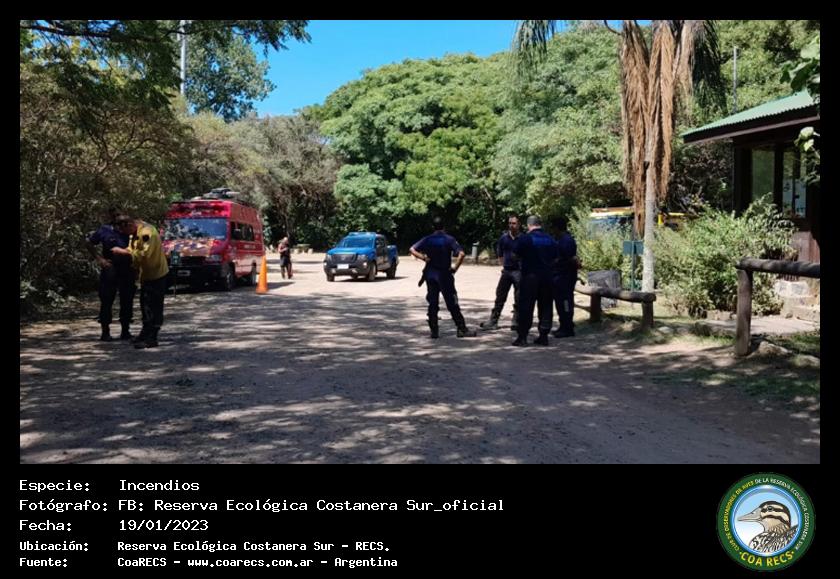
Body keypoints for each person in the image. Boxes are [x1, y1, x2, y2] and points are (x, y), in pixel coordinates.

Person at [409, 218, 477, 339]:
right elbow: (461, 254)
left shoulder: (427, 239)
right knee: (452, 302)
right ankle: (461, 328)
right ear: (443, 227)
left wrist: (424, 258)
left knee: (433, 302)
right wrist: (455, 268)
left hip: (430, 274)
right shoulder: (449, 239)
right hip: (444, 275)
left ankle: (434, 330)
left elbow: (412, 249)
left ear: (433, 227)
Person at [111, 216, 169, 349]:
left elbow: (145, 254)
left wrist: (124, 252)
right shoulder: (134, 234)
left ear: (129, 224)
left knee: (154, 307)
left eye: (124, 230)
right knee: (145, 306)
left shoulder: (148, 233)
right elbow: (132, 249)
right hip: (146, 275)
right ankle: (145, 333)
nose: (125, 234)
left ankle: (152, 338)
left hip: (157, 274)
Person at [86, 209, 136, 341]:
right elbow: (89, 243)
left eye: (120, 215)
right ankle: (105, 332)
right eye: (115, 215)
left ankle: (125, 331)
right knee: (106, 299)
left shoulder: (130, 230)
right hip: (110, 267)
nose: (118, 217)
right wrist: (99, 259)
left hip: (127, 268)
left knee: (127, 299)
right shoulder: (104, 230)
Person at [512, 215, 558, 346]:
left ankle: (522, 337)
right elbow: (556, 258)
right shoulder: (550, 239)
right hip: (547, 277)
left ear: (528, 225)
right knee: (546, 306)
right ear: (540, 224)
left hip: (530, 276)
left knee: (526, 306)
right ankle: (543, 336)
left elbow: (515, 255)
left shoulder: (525, 238)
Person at [480, 215, 522, 331]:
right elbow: (500, 254)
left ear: (519, 224)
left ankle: (516, 321)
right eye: (510, 223)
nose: (511, 225)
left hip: (519, 272)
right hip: (507, 271)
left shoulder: (523, 239)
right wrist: (504, 265)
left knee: (519, 297)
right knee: (500, 296)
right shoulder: (504, 238)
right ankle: (493, 320)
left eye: (514, 223)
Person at [551, 216, 579, 338]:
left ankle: (567, 327)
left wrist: (557, 262)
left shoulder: (566, 241)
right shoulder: (561, 239)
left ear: (557, 228)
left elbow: (571, 259)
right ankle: (563, 325)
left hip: (565, 277)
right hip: (559, 277)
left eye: (553, 227)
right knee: (560, 302)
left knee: (565, 301)